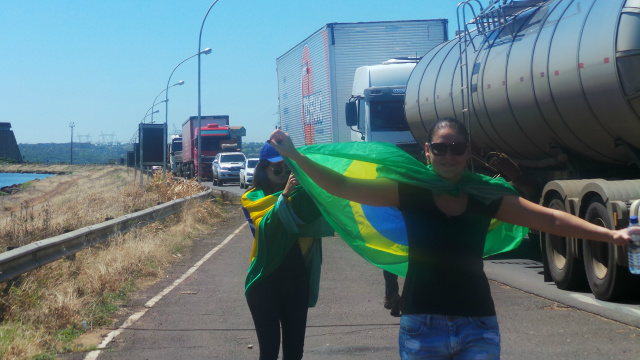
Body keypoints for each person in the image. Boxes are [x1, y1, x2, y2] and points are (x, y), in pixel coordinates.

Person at [267, 118, 639, 359]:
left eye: (457, 147)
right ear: (427, 152)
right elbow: (343, 185)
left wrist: (609, 233)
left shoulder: (484, 194)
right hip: (421, 324)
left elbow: (550, 218)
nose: (449, 154)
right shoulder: (409, 191)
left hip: (477, 323)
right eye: (440, 147)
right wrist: (294, 154)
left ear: (467, 152)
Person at [241, 143, 326, 360]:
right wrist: (285, 196)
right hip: (264, 281)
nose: (284, 175)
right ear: (263, 169)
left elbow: (329, 201)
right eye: (278, 170)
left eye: (289, 169)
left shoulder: (304, 194)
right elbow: (267, 228)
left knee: (294, 353)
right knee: (269, 352)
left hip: (297, 280)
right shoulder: (253, 198)